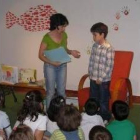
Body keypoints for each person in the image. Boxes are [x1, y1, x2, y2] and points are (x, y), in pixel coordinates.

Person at [38, 13, 80, 109]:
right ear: (56, 25)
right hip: (50, 66)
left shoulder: (64, 35)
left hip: (62, 65)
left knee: (61, 91)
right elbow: (40, 55)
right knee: (51, 92)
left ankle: (62, 114)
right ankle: (49, 115)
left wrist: (71, 52)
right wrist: (52, 62)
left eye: (65, 26)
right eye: (63, 26)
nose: (64, 28)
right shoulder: (47, 37)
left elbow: (64, 49)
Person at [88, 22, 114, 121]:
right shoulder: (94, 46)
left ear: (102, 34)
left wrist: (101, 78)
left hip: (103, 80)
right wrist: (90, 73)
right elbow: (91, 61)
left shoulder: (109, 48)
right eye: (93, 35)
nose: (93, 37)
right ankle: (94, 117)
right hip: (93, 78)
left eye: (95, 35)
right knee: (93, 98)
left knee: (103, 100)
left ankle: (104, 118)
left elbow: (109, 65)